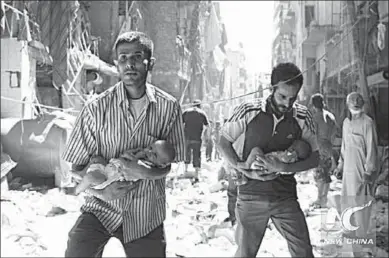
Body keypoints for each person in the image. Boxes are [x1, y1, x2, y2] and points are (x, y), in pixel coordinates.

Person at [62, 31, 185, 257]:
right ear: (117, 64)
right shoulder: (95, 109)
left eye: (137, 57)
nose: (130, 64)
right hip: (99, 208)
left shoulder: (169, 107)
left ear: (151, 63)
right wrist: (103, 192)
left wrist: (145, 171)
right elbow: (76, 169)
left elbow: (170, 164)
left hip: (145, 213)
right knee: (77, 250)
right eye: (123, 58)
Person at [218, 62, 319, 258]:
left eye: (293, 98)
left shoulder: (302, 116)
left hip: (285, 198)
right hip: (250, 197)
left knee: (304, 251)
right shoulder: (249, 110)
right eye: (282, 96)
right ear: (272, 89)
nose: (287, 104)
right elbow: (223, 141)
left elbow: (315, 158)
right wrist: (241, 167)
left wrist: (284, 167)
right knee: (245, 254)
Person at [333, 92, 378, 256]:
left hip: (361, 171)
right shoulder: (346, 123)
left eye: (357, 101)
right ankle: (350, 237)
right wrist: (340, 165)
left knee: (361, 205)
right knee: (347, 202)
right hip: (348, 171)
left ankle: (363, 242)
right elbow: (344, 147)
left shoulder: (368, 123)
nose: (355, 103)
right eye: (352, 102)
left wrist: (368, 171)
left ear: (362, 103)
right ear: (348, 104)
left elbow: (371, 148)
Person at [70, 140, 176, 195]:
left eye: (155, 155)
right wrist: (130, 154)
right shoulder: (143, 156)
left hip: (109, 178)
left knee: (91, 177)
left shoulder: (148, 167)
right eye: (151, 147)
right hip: (109, 166)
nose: (149, 151)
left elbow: (130, 164)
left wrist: (130, 156)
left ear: (161, 165)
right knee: (96, 159)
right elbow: (126, 156)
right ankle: (82, 174)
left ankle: (75, 190)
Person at [234, 139, 312, 185]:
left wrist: (289, 154)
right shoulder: (291, 165)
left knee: (256, 150)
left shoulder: (289, 156)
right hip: (266, 171)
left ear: (293, 149)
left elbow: (284, 159)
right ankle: (244, 177)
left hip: (261, 161)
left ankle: (246, 165)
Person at [309, 93, 337, 208]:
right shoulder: (330, 116)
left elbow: (313, 135)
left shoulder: (315, 117)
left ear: (313, 105)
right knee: (326, 174)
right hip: (329, 147)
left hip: (319, 148)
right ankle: (324, 198)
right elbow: (335, 132)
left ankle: (320, 199)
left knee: (320, 175)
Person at [183, 99, 209, 182]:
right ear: (200, 105)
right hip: (197, 138)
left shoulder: (186, 112)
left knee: (186, 153)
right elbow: (207, 126)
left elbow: (180, 123)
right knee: (197, 155)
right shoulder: (202, 113)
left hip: (187, 138)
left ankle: (186, 171)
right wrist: (205, 136)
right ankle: (196, 174)